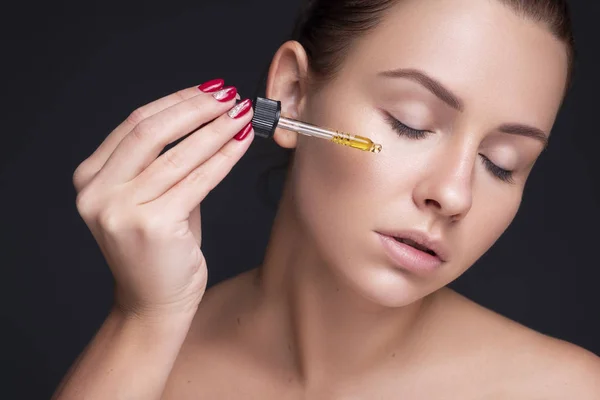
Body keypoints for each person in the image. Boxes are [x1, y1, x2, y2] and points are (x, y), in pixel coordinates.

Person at [53, 0, 600, 398]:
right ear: (291, 95)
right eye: (410, 124)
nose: (454, 194)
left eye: (502, 163)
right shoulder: (145, 365)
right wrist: (145, 317)